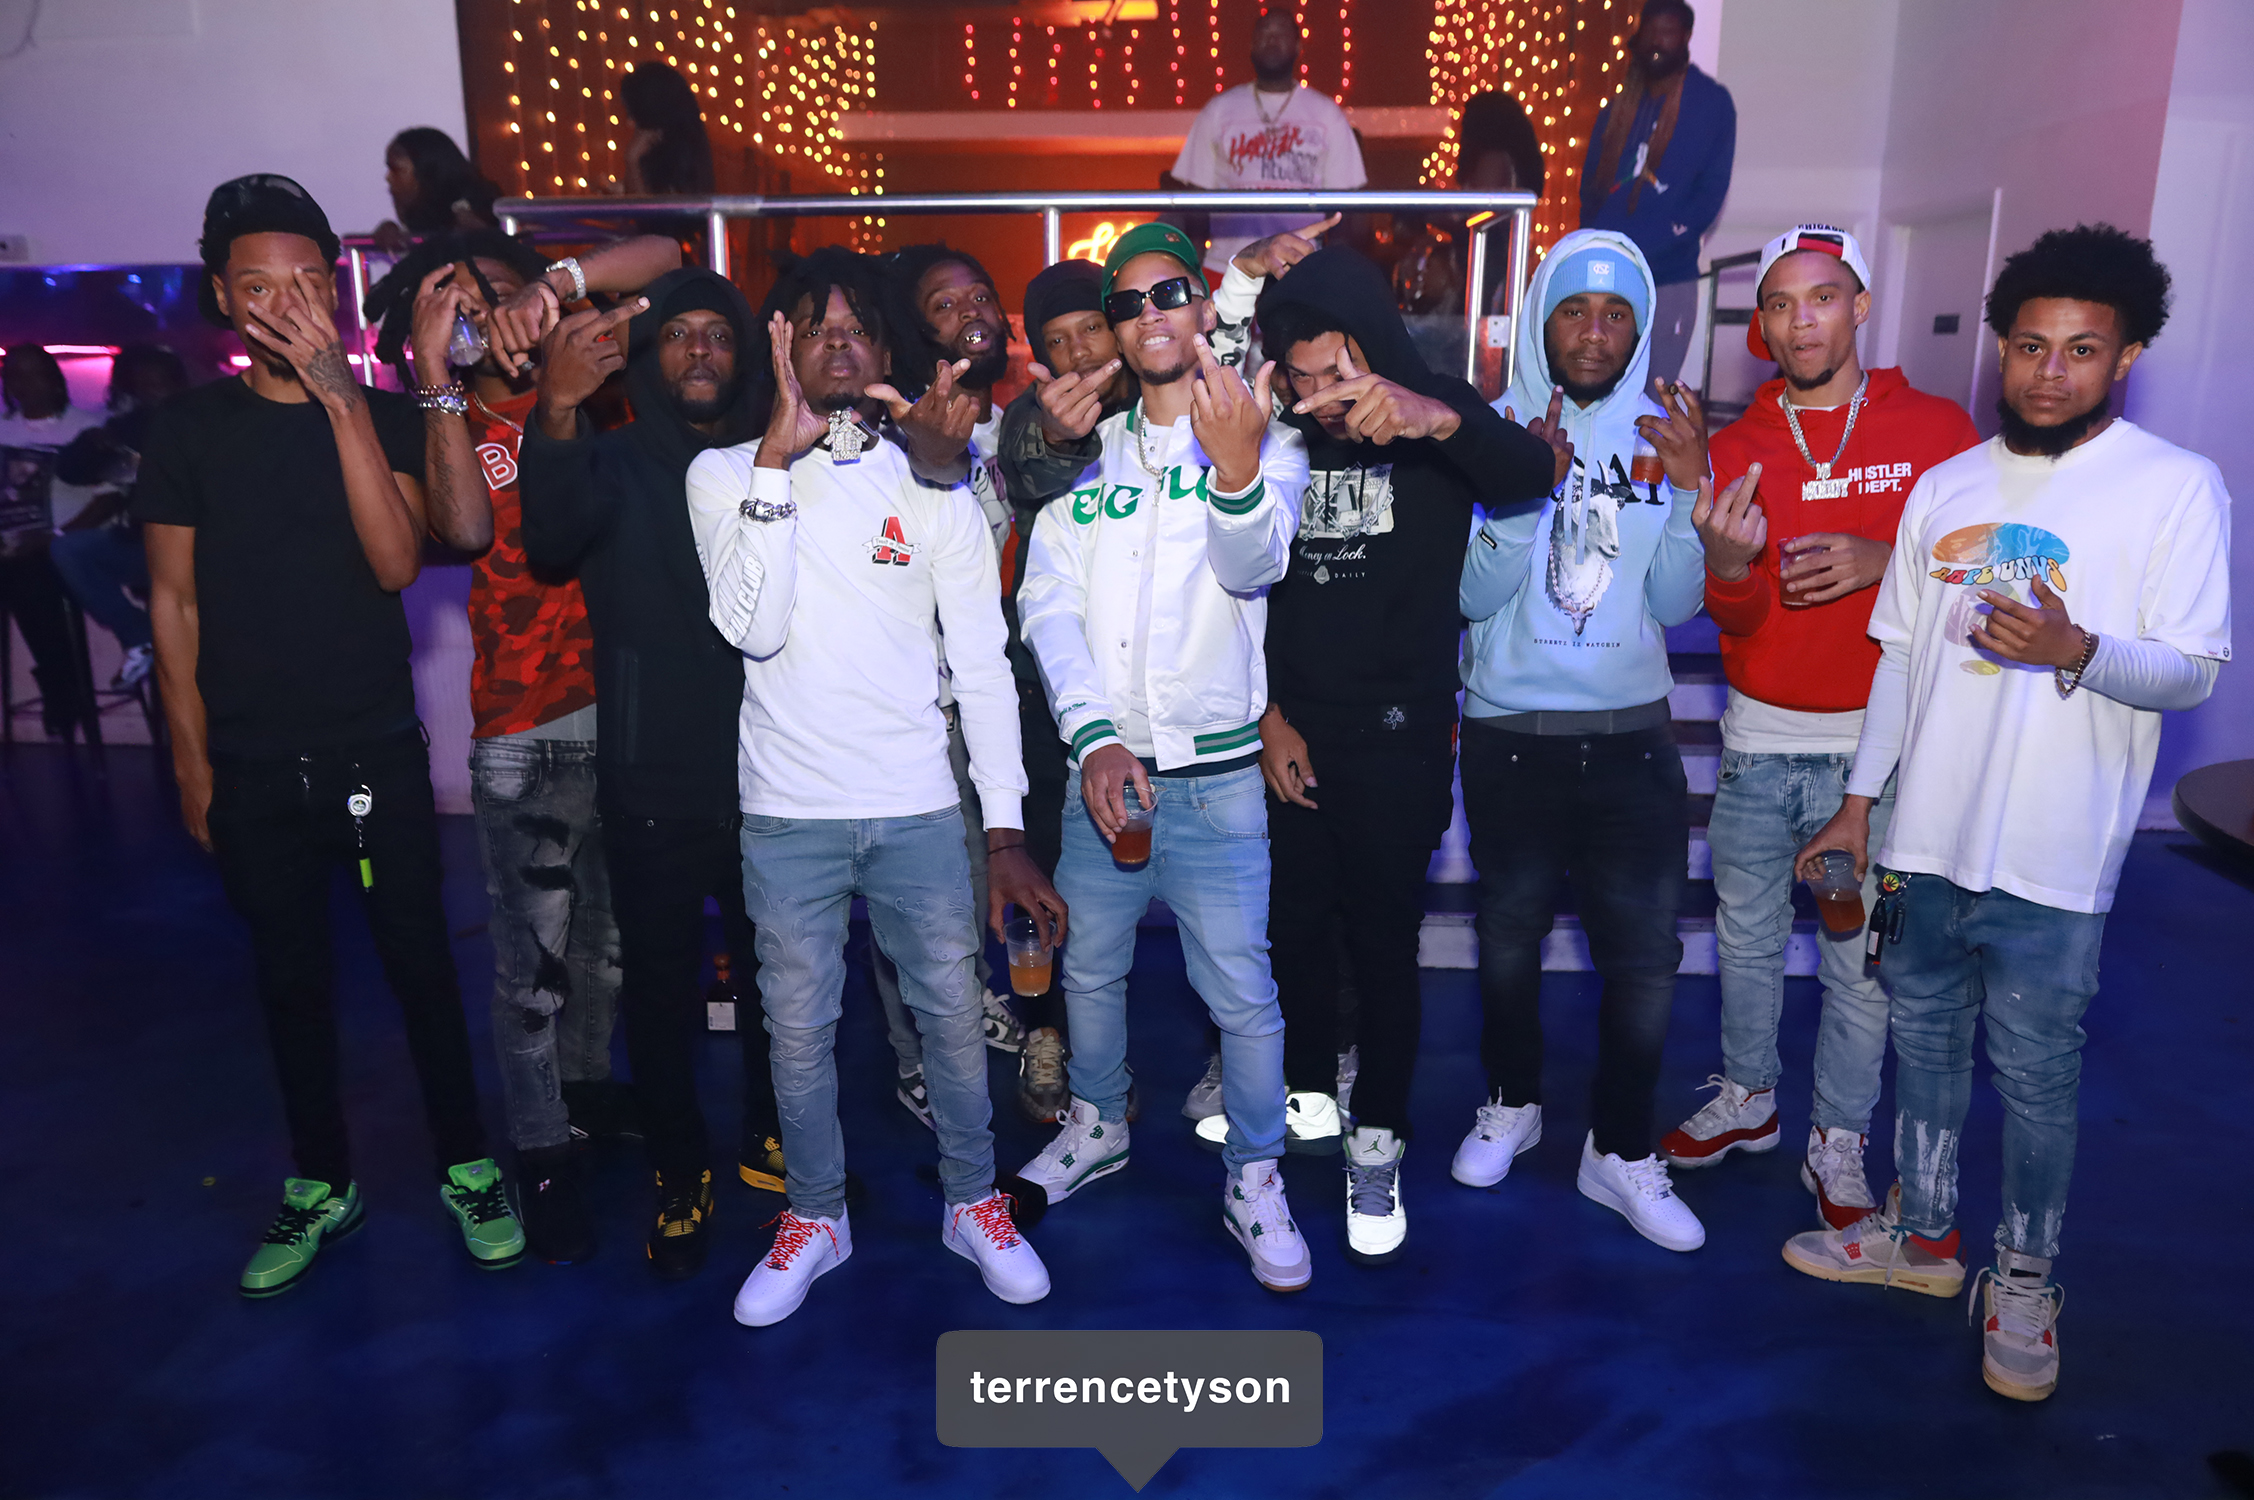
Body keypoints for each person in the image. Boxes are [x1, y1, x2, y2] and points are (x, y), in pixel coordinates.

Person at [1785, 225, 2230, 1403]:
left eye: (2081, 349)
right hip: (1920, 840)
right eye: (2031, 345)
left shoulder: (2176, 486)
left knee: (2035, 1080)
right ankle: (1924, 1238)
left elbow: (2192, 671)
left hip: (2053, 852)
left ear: (2125, 357)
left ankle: (2023, 1280)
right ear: (2000, 348)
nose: (2049, 370)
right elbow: (1898, 660)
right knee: (1923, 1044)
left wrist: (2074, 648)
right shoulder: (1946, 487)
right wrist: (1857, 807)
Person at [135, 174, 522, 1296]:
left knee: (419, 968)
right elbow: (174, 605)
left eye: (306, 282)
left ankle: (465, 1166)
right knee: (289, 979)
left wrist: (343, 400)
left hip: (371, 750)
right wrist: (190, 763)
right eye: (257, 285)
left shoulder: (387, 415)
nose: (284, 303)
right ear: (222, 296)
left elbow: (400, 563)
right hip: (253, 760)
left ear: (336, 296)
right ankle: (320, 1181)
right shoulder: (190, 431)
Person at [684, 248, 1066, 1326]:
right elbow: (751, 628)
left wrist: (1003, 832)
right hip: (787, 813)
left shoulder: (930, 479)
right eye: (815, 325)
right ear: (780, 345)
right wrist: (775, 459)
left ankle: (971, 1200)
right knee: (798, 1030)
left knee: (951, 1018)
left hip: (917, 808)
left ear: (888, 345)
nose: (839, 342)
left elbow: (982, 661)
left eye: (857, 326)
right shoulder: (722, 473)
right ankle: (816, 1216)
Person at [363, 228, 686, 1263]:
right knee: (534, 967)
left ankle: (584, 1097)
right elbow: (459, 532)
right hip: (526, 729)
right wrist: (436, 378)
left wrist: (554, 285)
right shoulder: (441, 424)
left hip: (631, 716)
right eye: (457, 309)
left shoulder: (603, 379)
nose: (485, 319)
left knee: (609, 947)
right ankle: (542, 1149)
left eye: (495, 295)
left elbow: (666, 254)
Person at [1237, 241, 1555, 1263]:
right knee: (1292, 933)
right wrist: (1267, 716)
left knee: (1382, 943)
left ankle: (1378, 1137)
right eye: (1299, 378)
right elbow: (1239, 591)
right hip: (1290, 728)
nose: (1320, 397)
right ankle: (1306, 1102)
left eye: (1336, 371)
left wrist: (1436, 419)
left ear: (1374, 344)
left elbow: (1530, 473)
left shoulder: (1434, 409)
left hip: (1399, 733)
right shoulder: (1276, 434)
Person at [1015, 223, 1316, 1293]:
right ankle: (1099, 1123)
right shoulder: (1082, 455)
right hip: (1103, 776)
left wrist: (1234, 472)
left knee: (1243, 994)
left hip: (1219, 780)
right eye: (1129, 300)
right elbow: (1045, 604)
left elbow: (1256, 564)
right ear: (1113, 326)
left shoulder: (1260, 434)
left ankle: (1256, 1173)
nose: (1150, 313)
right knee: (1089, 970)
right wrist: (1093, 738)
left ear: (1201, 307)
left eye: (1170, 292)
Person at [1661, 226, 1978, 1230]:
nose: (1802, 321)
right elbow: (1740, 614)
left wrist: (1889, 561)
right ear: (1761, 324)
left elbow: (1987, 575)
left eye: (1823, 297)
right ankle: (1749, 1098)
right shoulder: (1737, 446)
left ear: (1860, 306)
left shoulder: (1937, 430)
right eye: (1781, 303)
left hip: (1877, 760)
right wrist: (1726, 565)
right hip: (1757, 747)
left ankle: (1839, 1137)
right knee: (1746, 939)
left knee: (1861, 962)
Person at [1451, 227, 1712, 1252]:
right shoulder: (1488, 427)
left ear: (1640, 330)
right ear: (1539, 321)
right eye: (1573, 309)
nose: (1595, 332)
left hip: (1632, 741)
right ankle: (1512, 1102)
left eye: (1616, 315)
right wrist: (1524, 485)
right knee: (1509, 938)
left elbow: (1676, 603)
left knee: (1644, 959)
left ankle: (1621, 1148)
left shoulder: (1665, 430)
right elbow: (1471, 598)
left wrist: (1687, 492)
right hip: (1510, 735)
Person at [518, 263, 781, 1282]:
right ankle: (680, 1167)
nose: (699, 349)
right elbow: (547, 542)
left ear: (742, 353)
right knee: (662, 993)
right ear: (648, 357)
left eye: (717, 333)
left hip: (775, 776)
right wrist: (556, 409)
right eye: (677, 334)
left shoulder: (779, 455)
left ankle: (769, 1131)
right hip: (654, 779)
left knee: (779, 983)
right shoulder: (612, 460)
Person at [859, 242, 1035, 1130]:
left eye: (981, 294)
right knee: (916, 892)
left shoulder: (1014, 425)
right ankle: (916, 1058)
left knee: (971, 880)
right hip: (916, 700)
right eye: (943, 303)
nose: (972, 311)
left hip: (990, 688)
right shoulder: (891, 436)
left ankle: (967, 1001)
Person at [991, 258, 1139, 1122]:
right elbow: (1035, 469)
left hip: (1154, 692)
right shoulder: (1031, 417)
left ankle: (1153, 1050)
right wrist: (1059, 438)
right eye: (1058, 339)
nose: (1080, 351)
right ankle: (1044, 1031)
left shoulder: (1168, 407)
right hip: (1047, 694)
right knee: (1044, 875)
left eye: (1091, 327)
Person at [1577, 0, 1736, 386]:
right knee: (1596, 392)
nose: (1656, 41)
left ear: (1686, 37)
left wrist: (1654, 243)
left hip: (1667, 280)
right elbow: (1590, 192)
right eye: (1650, 31)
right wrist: (1598, 247)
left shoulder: (1710, 105)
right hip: (1608, 280)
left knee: (1652, 398)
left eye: (1667, 32)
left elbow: (1709, 195)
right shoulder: (1617, 108)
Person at [1168, 7, 1367, 275]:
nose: (1272, 40)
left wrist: (1337, 272)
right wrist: (1193, 272)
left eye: (1281, 33)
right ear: (1251, 45)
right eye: (1265, 32)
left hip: (1301, 268)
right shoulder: (1218, 110)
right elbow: (1196, 201)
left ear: (1297, 46)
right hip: (1228, 267)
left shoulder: (1326, 114)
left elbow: (1344, 210)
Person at [51, 345, 195, 691]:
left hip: (198, 552)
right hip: (142, 547)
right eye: (141, 387)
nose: (150, 393)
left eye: (158, 384)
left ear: (179, 384)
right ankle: (139, 636)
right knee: (70, 550)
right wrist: (94, 443)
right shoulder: (129, 426)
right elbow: (71, 471)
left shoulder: (204, 424)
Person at [2, 344, 107, 737]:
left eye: (35, 372)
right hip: (12, 547)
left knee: (29, 573)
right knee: (19, 569)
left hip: (71, 544)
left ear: (55, 378)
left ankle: (60, 685)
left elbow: (112, 498)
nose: (24, 382)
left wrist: (56, 536)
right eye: (14, 374)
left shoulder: (90, 428)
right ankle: (60, 683)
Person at [373, 127, 500, 254]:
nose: (387, 178)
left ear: (426, 172)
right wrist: (391, 233)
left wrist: (480, 234)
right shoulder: (419, 217)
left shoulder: (479, 214)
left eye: (395, 169)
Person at [621, 62, 716, 195]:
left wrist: (632, 161)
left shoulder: (680, 155)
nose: (630, 122)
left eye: (633, 113)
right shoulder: (651, 147)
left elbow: (647, 207)